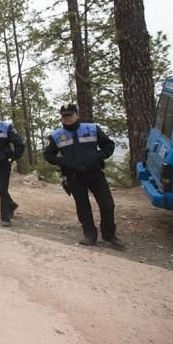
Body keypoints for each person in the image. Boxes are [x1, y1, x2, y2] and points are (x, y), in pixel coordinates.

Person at [44, 103, 125, 250]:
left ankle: (109, 235)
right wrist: (63, 162)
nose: (67, 118)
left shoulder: (92, 128)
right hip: (74, 177)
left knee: (107, 205)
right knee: (83, 207)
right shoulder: (56, 136)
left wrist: (98, 156)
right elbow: (48, 155)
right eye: (64, 116)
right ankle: (89, 235)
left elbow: (108, 145)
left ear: (77, 114)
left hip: (95, 174)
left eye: (70, 115)